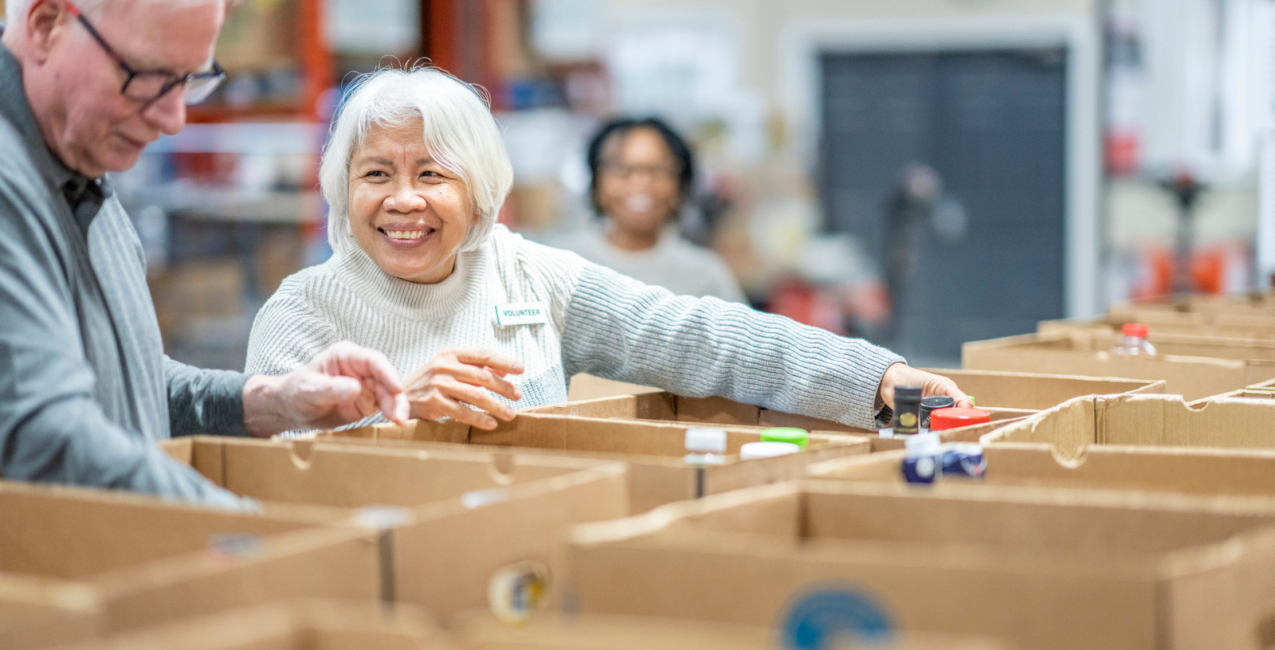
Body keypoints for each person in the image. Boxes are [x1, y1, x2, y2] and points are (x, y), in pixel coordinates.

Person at [245, 65, 969, 434]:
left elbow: (699, 335)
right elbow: (268, 482)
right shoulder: (302, 314)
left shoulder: (528, 273)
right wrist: (398, 422)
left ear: (480, 188)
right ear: (344, 188)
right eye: (376, 174)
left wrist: (875, 378)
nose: (402, 200)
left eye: (431, 174)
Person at [0, 0, 409, 508]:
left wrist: (272, 401)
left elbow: (130, 384)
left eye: (191, 80)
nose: (173, 119)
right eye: (148, 75)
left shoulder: (78, 163)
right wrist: (250, 531)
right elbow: (43, 435)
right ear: (45, 26)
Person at [545, 117, 745, 302]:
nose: (640, 183)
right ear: (596, 182)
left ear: (681, 185)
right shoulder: (557, 263)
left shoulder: (706, 276)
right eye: (621, 168)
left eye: (657, 170)